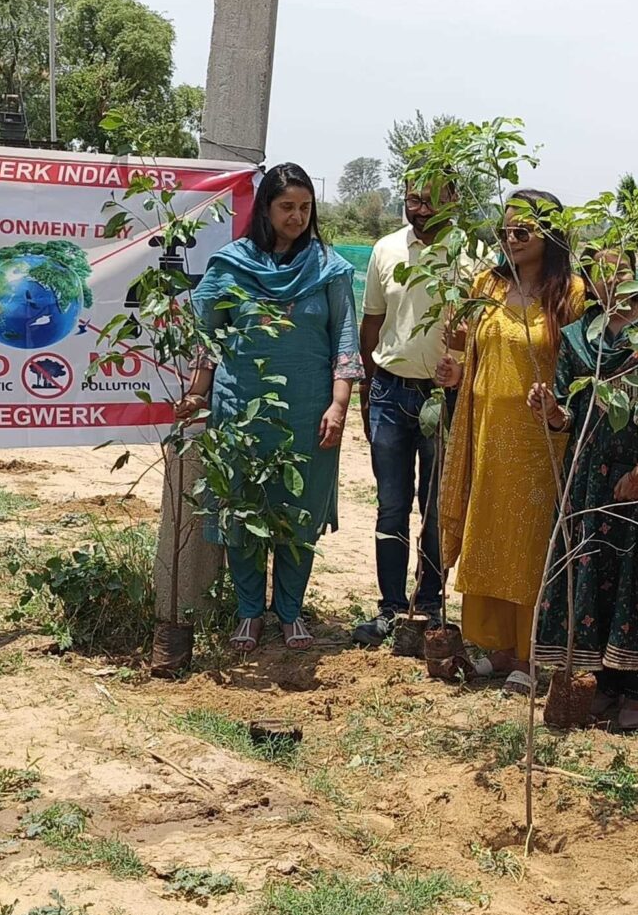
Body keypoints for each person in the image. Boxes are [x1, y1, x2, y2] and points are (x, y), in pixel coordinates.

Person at [178, 163, 359, 649]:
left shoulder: (330, 268)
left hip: (309, 412)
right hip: (240, 408)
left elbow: (345, 341)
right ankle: (249, 612)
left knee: (299, 511)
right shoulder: (231, 265)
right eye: (287, 207)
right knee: (244, 508)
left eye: (305, 207)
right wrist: (197, 394)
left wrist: (339, 405)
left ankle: (291, 611)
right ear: (265, 209)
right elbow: (207, 340)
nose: (297, 217)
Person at [438, 190, 587, 692]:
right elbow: (466, 340)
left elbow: (579, 368)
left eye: (525, 230)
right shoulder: (489, 284)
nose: (513, 238)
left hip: (537, 439)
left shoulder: (569, 294)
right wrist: (455, 370)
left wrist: (556, 411)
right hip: (486, 431)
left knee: (527, 545)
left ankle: (532, 655)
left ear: (549, 235)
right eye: (506, 229)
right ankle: (498, 650)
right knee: (489, 534)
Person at [530, 247, 638, 731]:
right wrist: (551, 410)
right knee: (593, 570)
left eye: (620, 270)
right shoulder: (580, 337)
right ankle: (603, 681)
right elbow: (568, 416)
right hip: (589, 472)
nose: (611, 281)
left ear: (637, 274)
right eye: (598, 273)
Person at [353, 177, 457, 647]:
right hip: (390, 394)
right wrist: (367, 388)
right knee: (391, 506)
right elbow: (372, 322)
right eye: (415, 198)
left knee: (436, 508)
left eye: (433, 199)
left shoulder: (470, 255)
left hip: (444, 400)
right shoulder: (386, 250)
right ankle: (391, 608)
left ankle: (431, 606)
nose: (421, 208)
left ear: (452, 199)